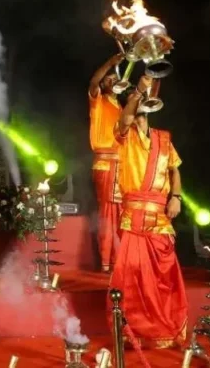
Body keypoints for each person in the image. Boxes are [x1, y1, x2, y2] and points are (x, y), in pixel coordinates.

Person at [108, 74, 187, 348]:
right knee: (132, 276)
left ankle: (165, 329)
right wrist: (136, 92)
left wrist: (176, 197)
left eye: (144, 98)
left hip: (161, 217)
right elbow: (125, 119)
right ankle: (136, 332)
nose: (140, 104)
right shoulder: (123, 135)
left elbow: (175, 170)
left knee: (164, 274)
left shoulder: (163, 139)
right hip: (134, 218)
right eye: (135, 100)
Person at [88, 53, 126, 272]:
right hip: (105, 164)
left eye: (114, 78)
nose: (112, 81)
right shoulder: (98, 101)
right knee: (108, 213)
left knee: (121, 213)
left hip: (121, 166)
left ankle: (119, 258)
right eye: (108, 79)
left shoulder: (119, 106)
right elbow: (93, 82)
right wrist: (111, 63)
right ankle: (106, 261)